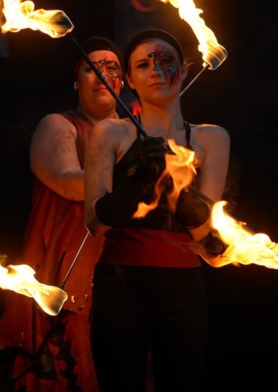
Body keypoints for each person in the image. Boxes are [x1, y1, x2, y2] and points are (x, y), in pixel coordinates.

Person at [84, 28, 231, 392]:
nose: (155, 70)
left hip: (183, 290)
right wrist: (137, 185)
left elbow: (212, 246)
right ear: (129, 80)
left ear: (183, 68)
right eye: (143, 64)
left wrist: (175, 185)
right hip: (120, 285)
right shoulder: (110, 133)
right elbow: (94, 223)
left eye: (165, 61)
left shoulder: (212, 138)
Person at [0, 36, 125, 392]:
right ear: (76, 82)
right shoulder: (59, 125)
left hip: (122, 279)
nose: (103, 73)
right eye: (91, 67)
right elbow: (69, 183)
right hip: (62, 280)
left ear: (124, 82)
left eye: (112, 67)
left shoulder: (138, 138)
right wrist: (130, 175)